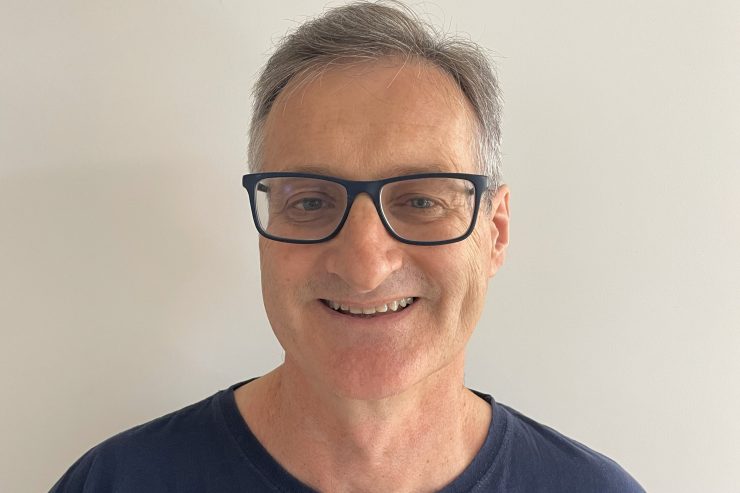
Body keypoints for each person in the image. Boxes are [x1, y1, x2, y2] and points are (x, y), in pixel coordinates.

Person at [50, 2, 645, 492]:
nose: (365, 266)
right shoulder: (116, 482)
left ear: (496, 233)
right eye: (310, 201)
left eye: (421, 201)